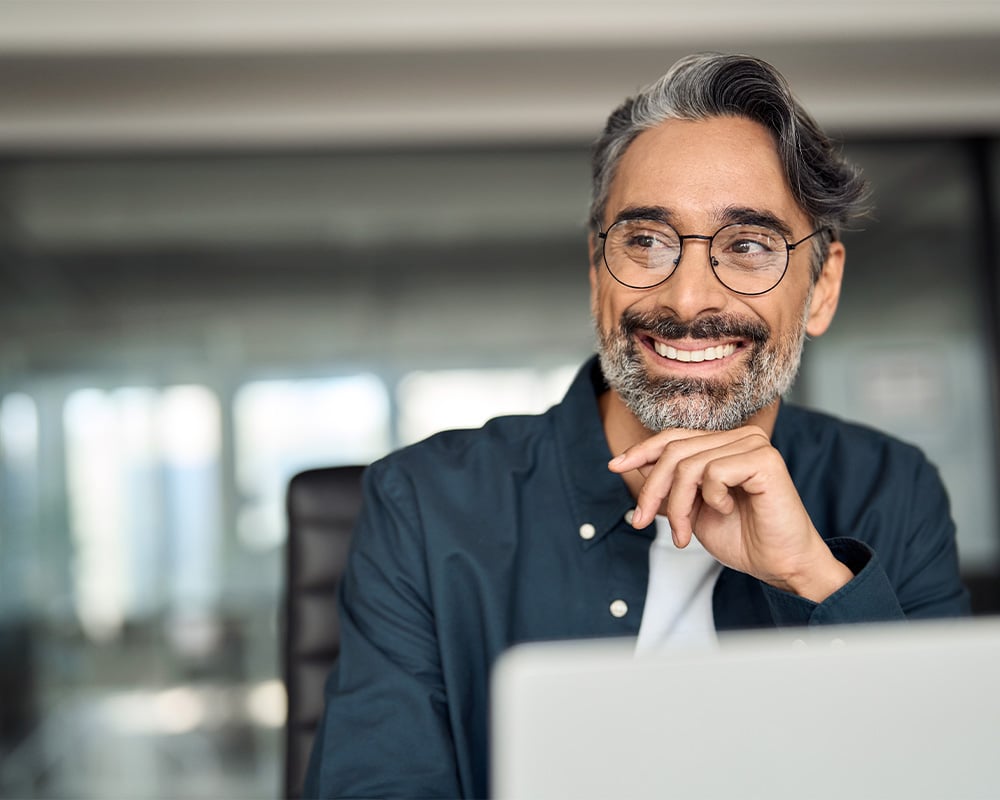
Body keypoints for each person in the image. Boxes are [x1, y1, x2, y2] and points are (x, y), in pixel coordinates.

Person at [304, 52, 969, 798]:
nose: (688, 299)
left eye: (748, 246)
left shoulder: (893, 489)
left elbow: (944, 773)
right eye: (645, 242)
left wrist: (815, 580)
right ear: (597, 277)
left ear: (822, 287)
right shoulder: (425, 505)